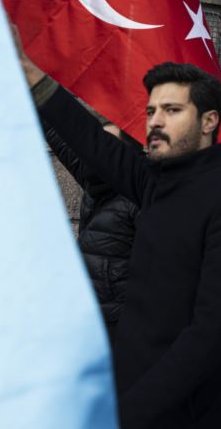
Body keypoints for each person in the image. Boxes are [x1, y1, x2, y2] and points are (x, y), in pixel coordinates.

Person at [18, 42, 221, 429]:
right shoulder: (153, 183)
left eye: (172, 110)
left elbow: (209, 336)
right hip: (129, 394)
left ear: (208, 121)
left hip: (184, 414)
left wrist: (130, 413)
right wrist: (31, 74)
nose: (155, 121)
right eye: (151, 111)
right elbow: (91, 143)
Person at [43, 119, 141, 341]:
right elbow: (57, 133)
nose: (97, 150)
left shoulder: (137, 198)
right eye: (97, 142)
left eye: (108, 144)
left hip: (122, 325)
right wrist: (35, 93)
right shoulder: (94, 181)